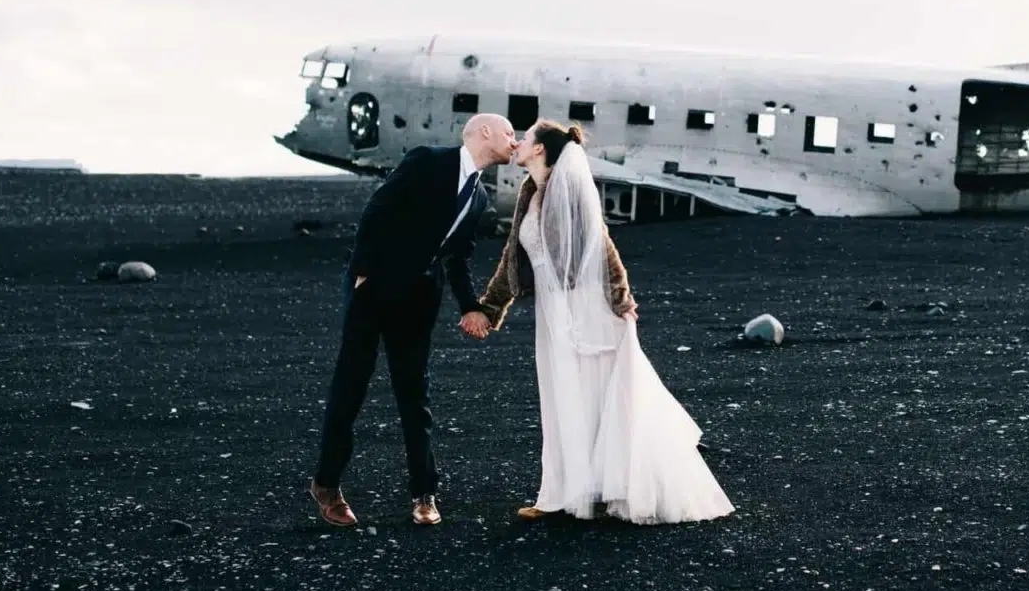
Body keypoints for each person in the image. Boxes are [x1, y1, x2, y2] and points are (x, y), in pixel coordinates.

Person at [478, 120, 734, 524]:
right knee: (562, 397)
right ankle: (564, 490)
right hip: (552, 311)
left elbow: (604, 246)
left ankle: (594, 490)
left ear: (540, 149)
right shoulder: (531, 193)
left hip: (583, 309)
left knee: (590, 395)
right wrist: (490, 309)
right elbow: (513, 260)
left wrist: (622, 298)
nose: (518, 143)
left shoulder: (570, 193)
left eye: (525, 138)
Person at [308, 113, 515, 528]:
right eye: (510, 133)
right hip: (374, 289)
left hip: (420, 300)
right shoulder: (427, 160)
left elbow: (457, 258)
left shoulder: (478, 199)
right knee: (351, 387)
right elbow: (378, 209)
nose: (516, 142)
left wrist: (469, 307)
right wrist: (363, 272)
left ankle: (424, 494)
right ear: (485, 133)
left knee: (414, 397)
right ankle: (327, 485)